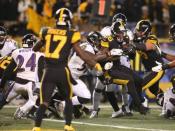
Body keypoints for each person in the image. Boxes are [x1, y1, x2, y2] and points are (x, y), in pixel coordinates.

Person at [32, 8, 102, 131]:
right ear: (68, 20)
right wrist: (94, 63)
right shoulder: (72, 34)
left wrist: (43, 39)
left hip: (48, 72)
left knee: (44, 102)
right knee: (68, 100)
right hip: (62, 71)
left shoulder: (46, 32)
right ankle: (68, 125)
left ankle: (36, 127)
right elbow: (81, 54)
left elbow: (35, 48)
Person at [0, 34, 44, 120]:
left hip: (17, 83)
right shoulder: (39, 55)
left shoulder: (16, 52)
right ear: (33, 43)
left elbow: (7, 72)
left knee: (4, 100)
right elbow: (41, 72)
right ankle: (21, 110)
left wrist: (2, 85)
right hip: (30, 84)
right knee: (32, 101)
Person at [132, 20, 164, 99]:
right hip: (149, 70)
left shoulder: (152, 38)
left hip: (157, 69)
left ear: (144, 31)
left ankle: (132, 107)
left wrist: (131, 43)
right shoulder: (137, 41)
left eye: (139, 31)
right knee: (154, 90)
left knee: (140, 86)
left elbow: (147, 47)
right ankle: (167, 102)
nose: (136, 32)